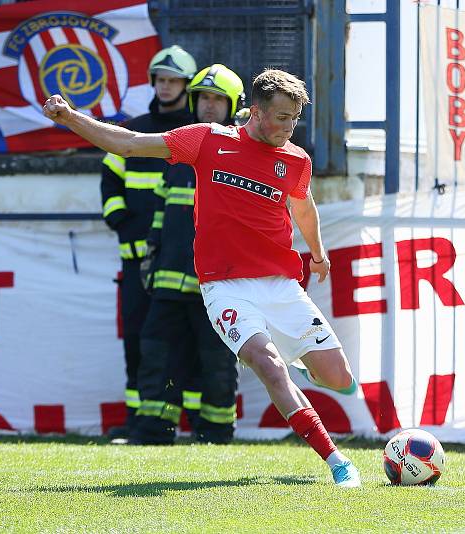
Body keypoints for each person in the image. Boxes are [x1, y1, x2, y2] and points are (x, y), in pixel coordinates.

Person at [43, 69, 362, 488]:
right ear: (258, 110)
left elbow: (303, 208)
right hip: (224, 287)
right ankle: (338, 462)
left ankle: (298, 361)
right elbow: (128, 144)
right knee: (268, 367)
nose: (289, 128)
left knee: (339, 379)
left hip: (280, 285)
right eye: (282, 117)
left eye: (295, 119)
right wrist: (69, 117)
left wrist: (317, 255)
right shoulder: (208, 140)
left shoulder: (295, 160)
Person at [132, 65, 245, 445]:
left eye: (218, 99)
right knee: (157, 356)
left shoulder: (244, 156)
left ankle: (215, 432)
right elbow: (162, 217)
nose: (209, 106)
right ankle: (152, 431)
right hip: (169, 281)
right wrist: (152, 256)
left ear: (233, 106)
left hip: (217, 286)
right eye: (204, 98)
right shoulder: (181, 153)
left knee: (216, 362)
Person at [99, 45, 198, 439]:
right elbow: (109, 178)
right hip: (137, 260)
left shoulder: (196, 135)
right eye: (160, 79)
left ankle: (192, 423)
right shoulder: (133, 130)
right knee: (139, 343)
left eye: (174, 80)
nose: (166, 86)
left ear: (186, 86)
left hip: (181, 263)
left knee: (189, 344)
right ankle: (139, 420)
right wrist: (119, 219)